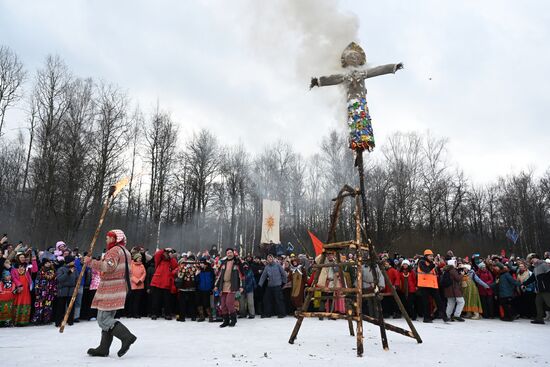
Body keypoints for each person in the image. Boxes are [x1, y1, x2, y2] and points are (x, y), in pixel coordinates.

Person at [84, 229, 136, 358]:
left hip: (111, 288)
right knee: (108, 317)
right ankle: (103, 348)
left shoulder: (114, 250)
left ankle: (127, 337)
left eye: (109, 237)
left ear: (115, 239)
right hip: (120, 287)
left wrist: (90, 262)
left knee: (103, 319)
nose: (106, 239)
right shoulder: (126, 251)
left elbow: (108, 266)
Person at [214, 248, 244, 327]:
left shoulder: (237, 263)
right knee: (223, 304)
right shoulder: (223, 263)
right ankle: (226, 320)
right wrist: (216, 286)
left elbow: (241, 275)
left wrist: (241, 286)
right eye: (228, 253)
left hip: (232, 285)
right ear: (226, 254)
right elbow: (219, 275)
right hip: (223, 285)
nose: (229, 254)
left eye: (231, 252)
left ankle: (233, 319)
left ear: (233, 253)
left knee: (229, 303)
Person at [417, 249, 448, 323]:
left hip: (433, 285)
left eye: (432, 256)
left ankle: (444, 316)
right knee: (426, 302)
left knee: (439, 301)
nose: (432, 257)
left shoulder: (431, 263)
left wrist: (438, 265)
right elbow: (426, 270)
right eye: (430, 256)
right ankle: (426, 318)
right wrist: (434, 264)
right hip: (424, 285)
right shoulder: (421, 262)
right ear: (426, 256)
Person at [150, 248, 178, 320]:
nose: (167, 254)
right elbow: (157, 254)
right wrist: (164, 249)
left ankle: (167, 314)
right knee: (156, 300)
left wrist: (171, 258)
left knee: (167, 301)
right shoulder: (159, 260)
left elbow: (175, 266)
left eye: (169, 253)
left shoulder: (171, 261)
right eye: (166, 253)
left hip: (167, 284)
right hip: (157, 283)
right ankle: (154, 314)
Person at [522, 254, 550, 324]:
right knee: (538, 303)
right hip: (539, 289)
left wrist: (546, 285)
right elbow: (532, 278)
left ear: (536, 258)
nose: (531, 261)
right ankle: (539, 319)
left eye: (532, 259)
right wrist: (524, 284)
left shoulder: (544, 264)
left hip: (545, 289)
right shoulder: (535, 268)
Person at [258, 254, 287, 318]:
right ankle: (267, 313)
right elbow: (263, 276)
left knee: (279, 300)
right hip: (270, 286)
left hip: (277, 285)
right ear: (267, 260)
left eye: (271, 258)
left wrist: (284, 282)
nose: (270, 259)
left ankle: (282, 313)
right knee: (267, 300)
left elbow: (283, 274)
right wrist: (260, 284)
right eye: (268, 258)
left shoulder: (278, 265)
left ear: (273, 259)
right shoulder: (267, 267)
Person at [31, 259, 57, 324]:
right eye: (46, 263)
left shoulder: (53, 271)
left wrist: (55, 290)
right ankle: (37, 319)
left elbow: (55, 282)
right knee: (39, 306)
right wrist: (37, 292)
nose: (48, 264)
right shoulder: (40, 272)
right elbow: (37, 282)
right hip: (41, 291)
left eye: (49, 263)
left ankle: (47, 319)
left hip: (50, 291)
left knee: (48, 306)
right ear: (44, 264)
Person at [54, 256, 77, 327]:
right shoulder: (61, 269)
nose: (74, 262)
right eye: (72, 261)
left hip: (72, 290)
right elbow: (60, 279)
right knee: (61, 307)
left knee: (71, 307)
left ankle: (70, 321)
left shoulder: (74, 269)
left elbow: (77, 278)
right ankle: (58, 322)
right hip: (63, 290)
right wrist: (68, 272)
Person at [196, 257, 215, 322]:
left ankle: (210, 316)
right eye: (200, 263)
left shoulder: (210, 270)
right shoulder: (198, 270)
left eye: (202, 263)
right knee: (199, 303)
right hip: (199, 289)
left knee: (207, 303)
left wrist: (212, 288)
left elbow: (213, 279)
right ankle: (202, 316)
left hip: (207, 289)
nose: (201, 264)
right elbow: (196, 281)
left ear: (205, 263)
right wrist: (196, 275)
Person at [127, 252, 146, 318]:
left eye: (140, 258)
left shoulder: (142, 265)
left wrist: (140, 280)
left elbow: (144, 273)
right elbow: (130, 274)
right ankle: (130, 313)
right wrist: (136, 280)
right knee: (131, 300)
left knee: (137, 301)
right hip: (133, 285)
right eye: (139, 258)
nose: (140, 259)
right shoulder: (131, 265)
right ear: (135, 258)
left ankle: (136, 313)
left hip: (140, 285)